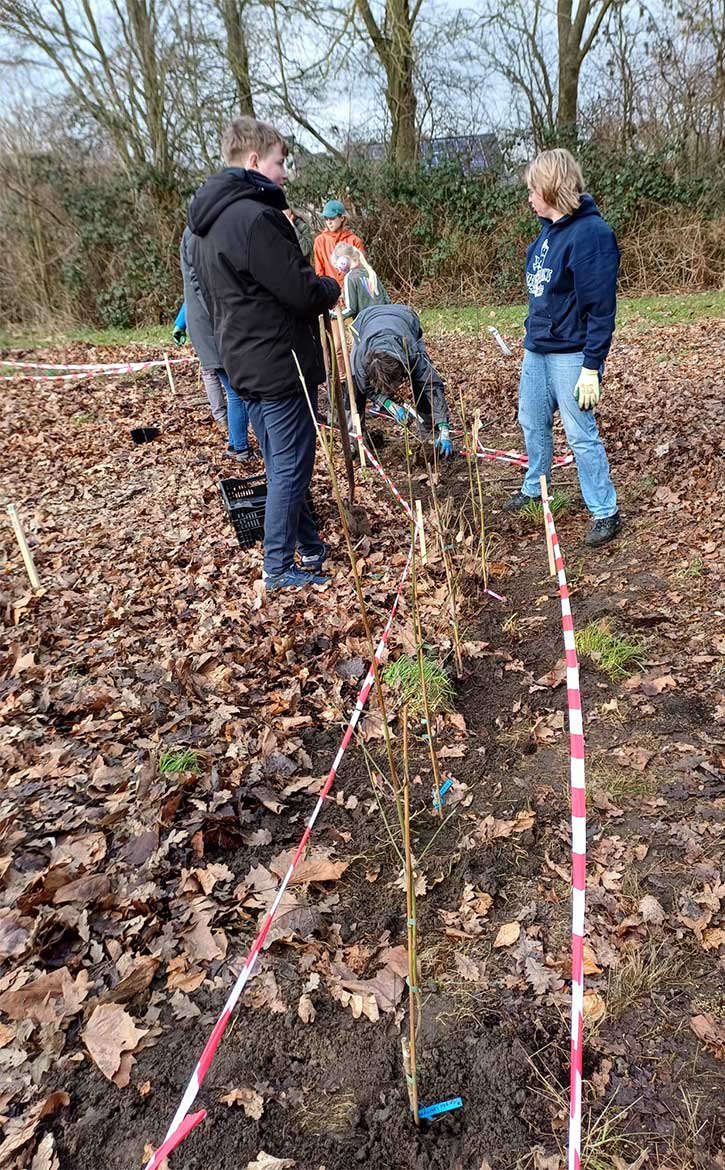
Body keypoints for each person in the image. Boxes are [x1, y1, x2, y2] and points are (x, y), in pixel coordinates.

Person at [187, 116, 340, 592]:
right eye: (280, 162)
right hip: (278, 364)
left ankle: (309, 546)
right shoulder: (256, 219)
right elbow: (299, 291)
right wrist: (330, 286)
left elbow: (212, 298)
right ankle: (277, 567)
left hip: (242, 363)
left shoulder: (203, 227)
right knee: (291, 464)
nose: (284, 173)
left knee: (280, 461)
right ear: (254, 161)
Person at [504, 148, 622, 547]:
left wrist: (591, 366)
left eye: (533, 189)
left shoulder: (592, 236)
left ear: (552, 188)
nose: (529, 197)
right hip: (538, 349)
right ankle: (536, 487)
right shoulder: (547, 231)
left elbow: (601, 309)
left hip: (572, 354)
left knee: (580, 434)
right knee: (531, 421)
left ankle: (605, 510)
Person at [173, 227, 251, 461]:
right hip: (212, 330)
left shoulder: (192, 237)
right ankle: (240, 448)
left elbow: (192, 290)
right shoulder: (200, 238)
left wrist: (180, 323)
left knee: (233, 390)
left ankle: (235, 444)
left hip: (204, 328)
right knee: (237, 392)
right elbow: (203, 289)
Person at [350, 304, 454, 457]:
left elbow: (431, 384)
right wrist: (389, 405)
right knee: (355, 387)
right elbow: (365, 386)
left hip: (405, 318)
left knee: (420, 381)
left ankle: (429, 431)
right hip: (364, 321)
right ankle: (356, 437)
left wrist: (443, 425)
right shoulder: (361, 358)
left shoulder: (411, 351)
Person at [313, 200, 366, 384]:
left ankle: (362, 377)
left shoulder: (353, 241)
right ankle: (344, 381)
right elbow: (319, 272)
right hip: (332, 301)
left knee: (359, 340)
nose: (328, 222)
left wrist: (348, 291)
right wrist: (328, 294)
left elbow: (361, 270)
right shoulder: (320, 242)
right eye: (326, 218)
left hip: (353, 299)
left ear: (342, 218)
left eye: (332, 218)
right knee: (336, 346)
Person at [332, 243, 390, 324]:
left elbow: (350, 309)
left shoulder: (350, 277)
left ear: (342, 261)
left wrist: (332, 314)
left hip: (367, 323)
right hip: (385, 319)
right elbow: (387, 299)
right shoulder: (370, 271)